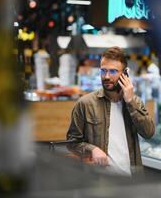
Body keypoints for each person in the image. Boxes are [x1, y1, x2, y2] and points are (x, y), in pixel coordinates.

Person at [66, 47, 155, 176]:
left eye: (113, 71)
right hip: (100, 181)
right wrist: (93, 149)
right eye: (103, 71)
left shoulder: (135, 102)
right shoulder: (85, 104)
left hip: (132, 182)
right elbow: (72, 142)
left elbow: (149, 133)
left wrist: (130, 102)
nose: (106, 76)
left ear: (125, 74)